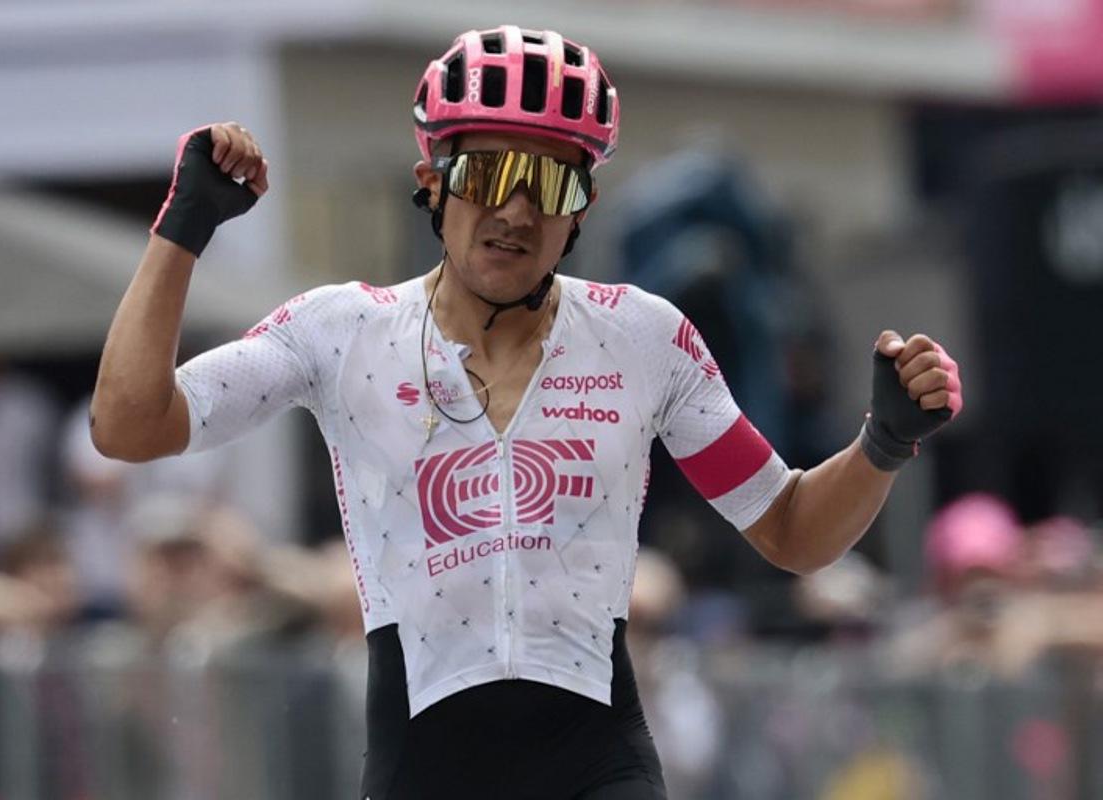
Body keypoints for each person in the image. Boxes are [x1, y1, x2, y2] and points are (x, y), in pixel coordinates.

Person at [89, 25, 964, 800]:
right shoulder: (340, 330)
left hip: (598, 762)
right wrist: (185, 226)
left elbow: (792, 531)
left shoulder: (643, 338)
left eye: (548, 184)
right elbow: (127, 425)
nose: (514, 209)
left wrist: (882, 443)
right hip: (422, 764)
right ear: (432, 182)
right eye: (489, 174)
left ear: (580, 208)